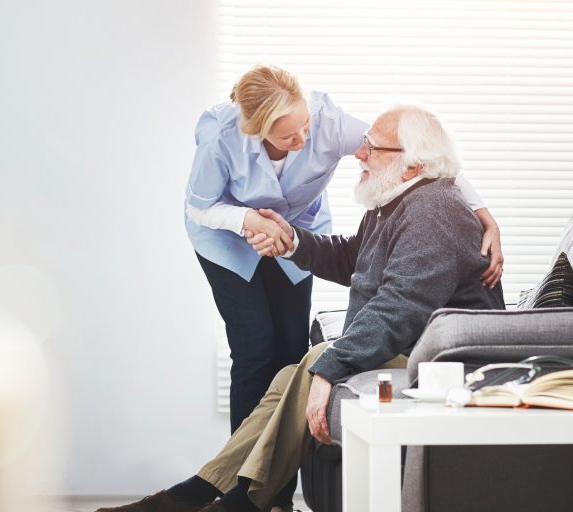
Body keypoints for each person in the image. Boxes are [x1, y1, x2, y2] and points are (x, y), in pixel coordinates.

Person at [100, 105, 505, 512]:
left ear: (412, 164)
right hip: (413, 348)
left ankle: (218, 500)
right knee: (288, 378)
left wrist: (332, 367)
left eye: (371, 148)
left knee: (315, 358)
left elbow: (399, 308)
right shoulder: (398, 199)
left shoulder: (433, 211)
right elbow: (354, 259)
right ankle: (209, 494)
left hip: (439, 365)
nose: (359, 154)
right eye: (363, 144)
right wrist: (292, 240)